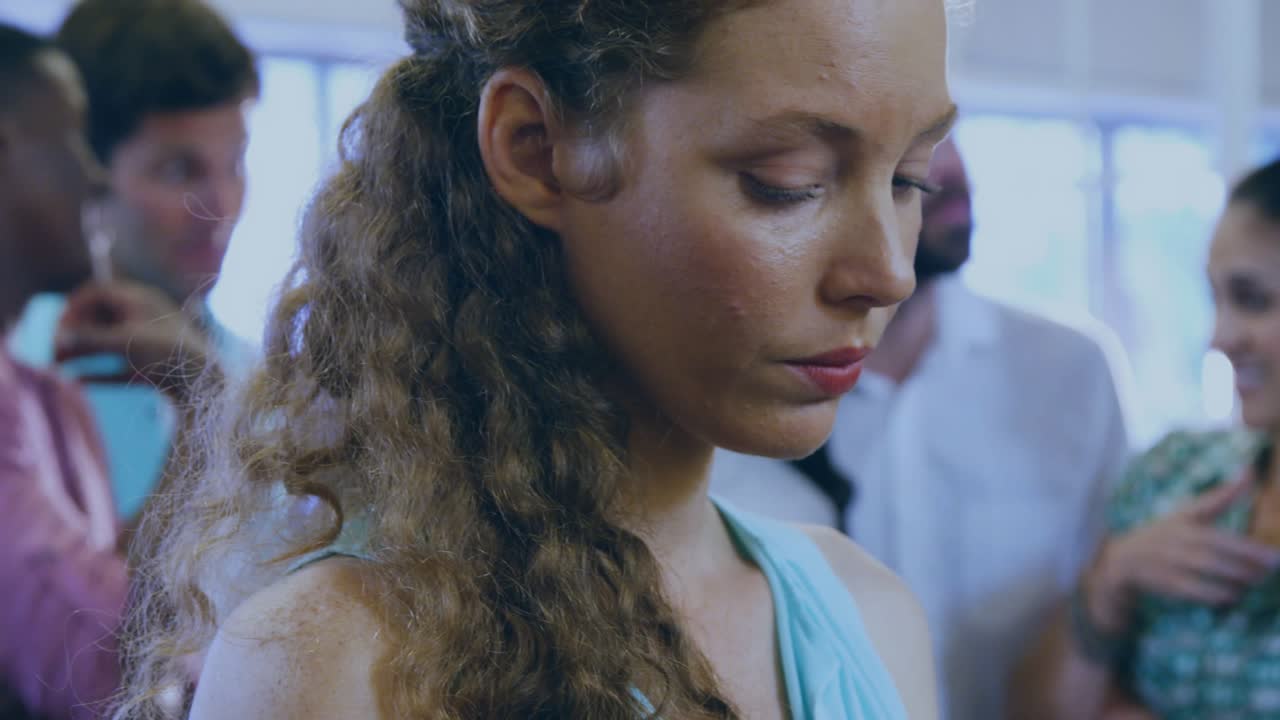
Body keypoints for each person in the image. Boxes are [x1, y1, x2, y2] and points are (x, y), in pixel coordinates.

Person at [113, 0, 957, 718]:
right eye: (789, 181)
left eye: (909, 180)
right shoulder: (333, 667)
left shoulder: (872, 619)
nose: (887, 271)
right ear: (534, 148)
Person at [710, 136, 1134, 719]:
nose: (952, 170)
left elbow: (1118, 619)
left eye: (949, 134)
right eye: (910, 150)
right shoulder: (728, 397)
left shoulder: (1071, 372)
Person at [0, 24, 224, 720]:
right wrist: (208, 408)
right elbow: (107, 678)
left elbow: (137, 620)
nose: (92, 175)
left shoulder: (51, 397)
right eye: (67, 138)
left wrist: (199, 405)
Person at [1011, 157, 1280, 720]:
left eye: (1252, 299)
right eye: (1216, 299)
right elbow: (1036, 710)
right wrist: (1108, 583)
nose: (1220, 338)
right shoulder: (1172, 474)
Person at [8, 0, 260, 522]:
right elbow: (91, 603)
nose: (220, 206)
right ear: (87, 170)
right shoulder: (22, 373)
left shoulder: (273, 383)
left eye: (235, 163)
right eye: (177, 170)